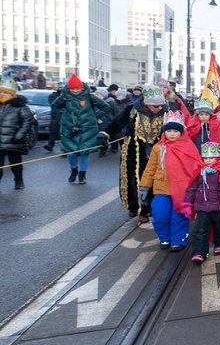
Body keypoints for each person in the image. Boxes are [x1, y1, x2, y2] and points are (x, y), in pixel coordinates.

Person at [105, 84, 170, 221]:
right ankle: (136, 208)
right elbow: (118, 122)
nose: (159, 108)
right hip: (134, 149)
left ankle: (149, 209)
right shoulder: (132, 110)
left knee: (154, 178)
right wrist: (105, 134)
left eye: (161, 105)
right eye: (156, 106)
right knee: (134, 178)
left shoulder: (166, 112)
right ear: (147, 103)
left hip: (157, 150)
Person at [138, 113, 202, 251]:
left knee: (178, 216)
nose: (172, 134)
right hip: (162, 188)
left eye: (175, 131)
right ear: (164, 132)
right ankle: (164, 238)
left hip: (182, 189)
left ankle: (178, 240)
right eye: (168, 131)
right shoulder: (158, 148)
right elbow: (150, 168)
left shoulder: (189, 147)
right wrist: (144, 186)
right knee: (160, 215)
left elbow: (196, 168)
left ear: (181, 132)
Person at [183, 141, 220, 263]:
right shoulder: (199, 171)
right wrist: (188, 203)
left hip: (219, 205)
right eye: (205, 158)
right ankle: (199, 252)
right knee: (200, 229)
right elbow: (192, 188)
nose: (208, 160)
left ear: (218, 157)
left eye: (211, 158)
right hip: (202, 206)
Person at [53, 74, 110, 184]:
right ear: (69, 88)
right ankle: (74, 171)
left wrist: (94, 117)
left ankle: (82, 174)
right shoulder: (64, 96)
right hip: (69, 129)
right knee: (71, 152)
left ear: (82, 88)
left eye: (77, 88)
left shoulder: (89, 97)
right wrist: (64, 115)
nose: (75, 91)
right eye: (72, 89)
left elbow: (105, 107)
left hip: (87, 129)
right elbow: (55, 107)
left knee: (85, 152)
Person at [0, 79, 33, 191]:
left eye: (5, 92)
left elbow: (28, 121)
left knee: (15, 164)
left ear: (12, 94)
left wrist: (19, 136)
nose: (2, 94)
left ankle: (18, 181)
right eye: (1, 92)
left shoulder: (19, 106)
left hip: (13, 141)